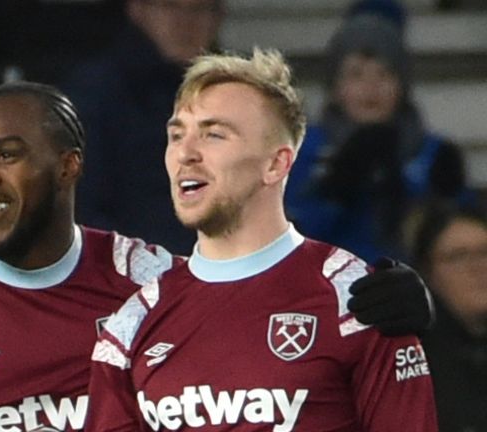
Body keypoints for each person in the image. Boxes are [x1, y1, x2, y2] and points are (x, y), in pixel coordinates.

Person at [0, 81, 432, 431]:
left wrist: (402, 301)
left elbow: (253, 296)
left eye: (7, 155)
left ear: (69, 166)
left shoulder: (148, 283)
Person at [86, 49, 437, 430]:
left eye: (214, 134)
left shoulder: (359, 300)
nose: (185, 153)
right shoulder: (132, 322)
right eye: (176, 135)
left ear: (276, 164)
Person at [285, 0, 470, 262]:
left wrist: (440, 201)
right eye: (356, 74)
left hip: (412, 290)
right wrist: (335, 190)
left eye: (384, 74)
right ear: (335, 88)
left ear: (402, 85)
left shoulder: (435, 153)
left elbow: (456, 241)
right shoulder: (302, 150)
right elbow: (287, 239)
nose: (371, 87)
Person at [62, 0, 224, 255]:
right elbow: (81, 206)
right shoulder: (98, 93)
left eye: (200, 9)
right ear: (137, 9)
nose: (185, 23)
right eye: (171, 7)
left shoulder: (234, 96)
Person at [409, 202, 487, 432]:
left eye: (485, 253)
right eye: (458, 256)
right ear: (428, 273)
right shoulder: (412, 361)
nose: (477, 267)